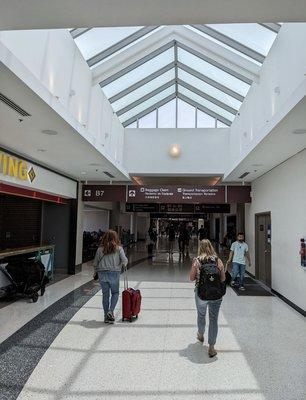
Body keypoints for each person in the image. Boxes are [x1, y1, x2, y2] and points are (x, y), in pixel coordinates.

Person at [190, 239, 225, 358]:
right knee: (213, 319)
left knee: (201, 314)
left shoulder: (197, 261)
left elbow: (191, 278)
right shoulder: (217, 260)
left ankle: (200, 334)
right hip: (216, 294)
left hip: (201, 294)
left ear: (200, 248)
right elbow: (223, 279)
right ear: (211, 247)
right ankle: (211, 347)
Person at [93, 230, 128, 324]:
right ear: (116, 238)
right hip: (114, 273)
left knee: (105, 295)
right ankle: (110, 311)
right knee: (115, 293)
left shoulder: (100, 249)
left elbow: (95, 263)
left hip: (102, 273)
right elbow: (124, 261)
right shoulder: (119, 249)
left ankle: (106, 317)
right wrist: (121, 264)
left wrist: (95, 271)